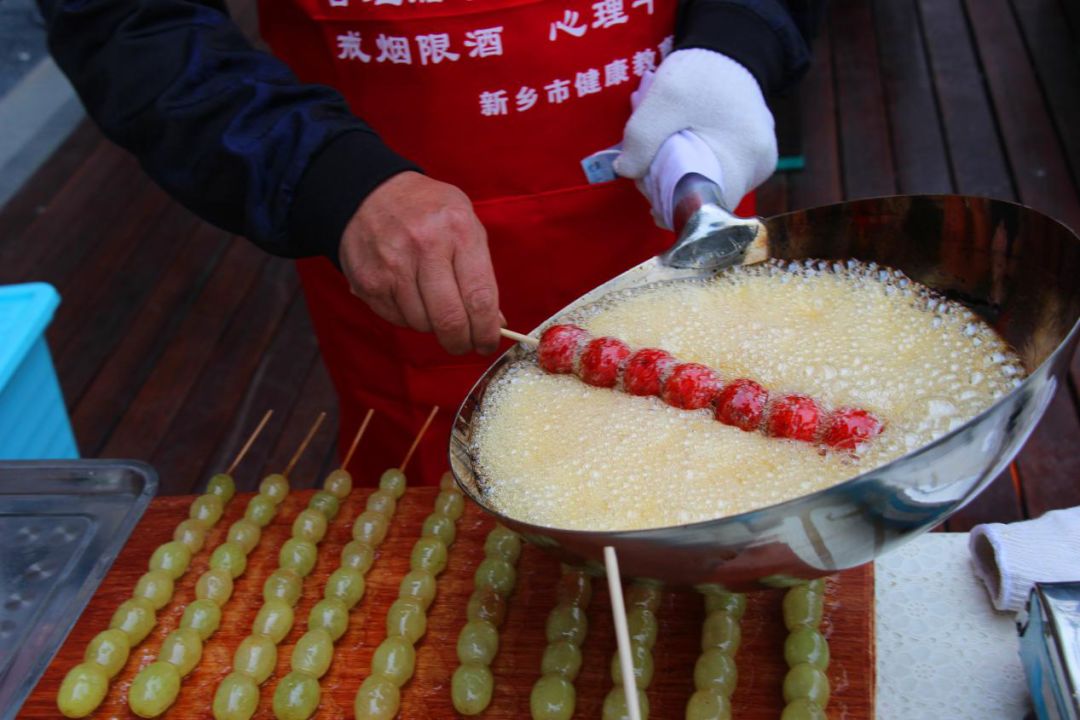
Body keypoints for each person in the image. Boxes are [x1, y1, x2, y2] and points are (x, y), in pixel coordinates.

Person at [37, 0, 819, 482]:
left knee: (724, 469)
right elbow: (128, 19)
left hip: (678, 190)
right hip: (386, 248)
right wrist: (322, 174)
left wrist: (738, 41)